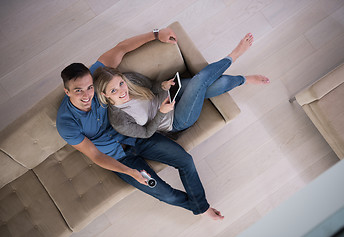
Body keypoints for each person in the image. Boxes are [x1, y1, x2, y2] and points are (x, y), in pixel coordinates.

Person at [56, 27, 224, 220]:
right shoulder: (66, 123)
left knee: (186, 161)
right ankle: (202, 208)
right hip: (120, 160)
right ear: (67, 91)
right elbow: (95, 155)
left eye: (89, 88)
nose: (87, 95)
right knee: (166, 194)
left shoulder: (96, 78)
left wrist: (155, 34)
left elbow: (121, 48)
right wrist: (130, 172)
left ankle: (201, 207)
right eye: (78, 91)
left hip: (138, 136)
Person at [93, 33, 270, 139]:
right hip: (175, 120)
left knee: (216, 82)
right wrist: (161, 113)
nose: (122, 91)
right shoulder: (118, 120)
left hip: (170, 95)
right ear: (105, 94)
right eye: (114, 91)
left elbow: (152, 87)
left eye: (121, 84)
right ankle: (234, 55)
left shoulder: (130, 80)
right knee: (200, 80)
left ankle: (244, 80)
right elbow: (146, 133)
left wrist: (163, 85)